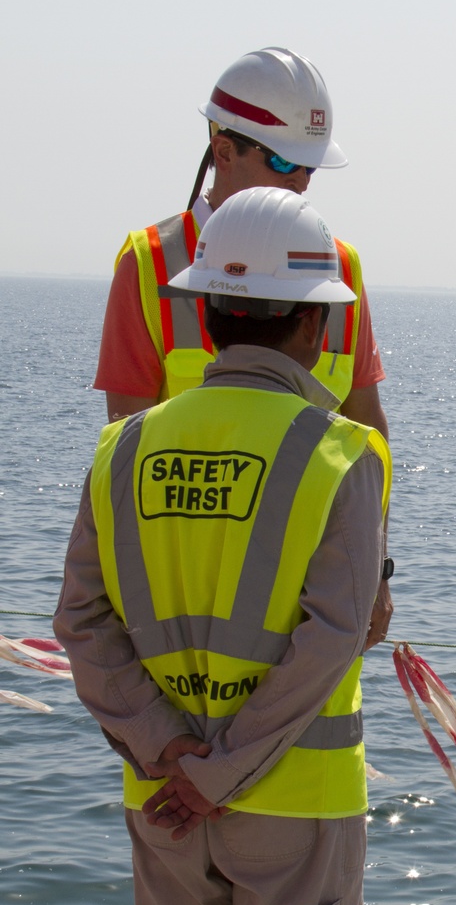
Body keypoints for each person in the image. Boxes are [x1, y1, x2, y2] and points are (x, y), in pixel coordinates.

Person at [55, 186, 392, 905]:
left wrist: (168, 753)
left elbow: (84, 624)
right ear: (312, 325)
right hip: (289, 800)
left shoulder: (126, 446)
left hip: (162, 802)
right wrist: (234, 764)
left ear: (203, 319)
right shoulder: (339, 453)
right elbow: (331, 632)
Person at [93, 44, 392, 647]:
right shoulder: (149, 265)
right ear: (223, 150)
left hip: (314, 607)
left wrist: (375, 573)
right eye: (286, 162)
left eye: (312, 166)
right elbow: (124, 452)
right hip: (186, 600)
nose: (304, 182)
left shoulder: (340, 268)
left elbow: (367, 428)